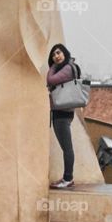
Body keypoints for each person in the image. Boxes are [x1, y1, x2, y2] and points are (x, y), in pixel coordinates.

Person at [47, 43, 79, 189]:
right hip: (62, 111)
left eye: (58, 53)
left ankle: (68, 178)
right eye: (53, 55)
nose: (56, 56)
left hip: (62, 112)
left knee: (67, 148)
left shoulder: (67, 68)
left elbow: (51, 80)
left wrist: (52, 66)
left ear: (65, 53)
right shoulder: (66, 67)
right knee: (66, 147)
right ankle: (67, 177)